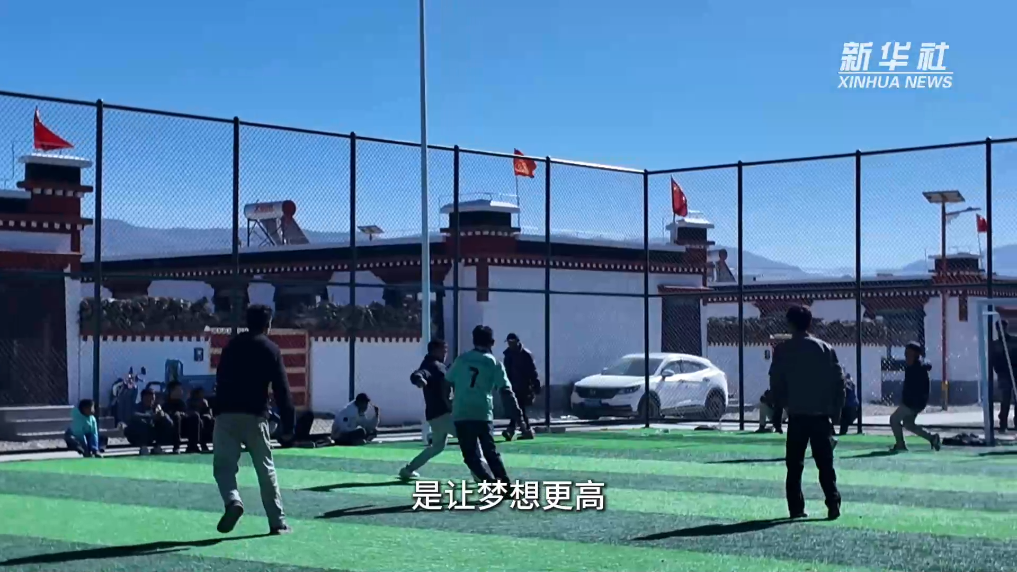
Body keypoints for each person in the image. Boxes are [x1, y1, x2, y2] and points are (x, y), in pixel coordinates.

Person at [212, 304, 294, 536]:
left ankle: (232, 500)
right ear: (268, 324)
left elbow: (220, 378)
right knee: (265, 468)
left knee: (224, 467)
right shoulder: (271, 349)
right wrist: (289, 425)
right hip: (255, 414)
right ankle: (277, 522)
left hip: (226, 412)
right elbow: (282, 390)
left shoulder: (231, 346)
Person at [769, 305, 844, 520]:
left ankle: (796, 508)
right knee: (825, 464)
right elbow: (839, 382)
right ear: (810, 323)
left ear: (790, 324)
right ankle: (833, 502)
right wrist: (836, 411)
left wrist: (778, 410)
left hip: (797, 415)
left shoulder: (782, 350)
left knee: (794, 466)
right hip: (821, 415)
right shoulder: (825, 349)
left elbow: (776, 382)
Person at [447, 325, 524, 484]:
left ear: (473, 340)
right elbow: (506, 391)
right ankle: (506, 485)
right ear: (492, 342)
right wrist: (518, 416)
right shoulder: (494, 363)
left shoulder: (461, 360)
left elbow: (447, 380)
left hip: (462, 412)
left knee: (470, 456)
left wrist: (448, 402)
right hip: (483, 413)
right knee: (491, 453)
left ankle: (490, 484)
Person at [399, 339, 454, 479]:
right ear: (435, 350)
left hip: (435, 415)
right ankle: (480, 475)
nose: (445, 354)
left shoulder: (438, 365)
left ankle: (408, 469)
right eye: (444, 350)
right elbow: (418, 374)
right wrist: (419, 380)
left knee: (437, 447)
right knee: (469, 439)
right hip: (443, 414)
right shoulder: (431, 365)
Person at [889, 342, 941, 452]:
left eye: (908, 354)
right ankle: (932, 438)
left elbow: (916, 389)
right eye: (905, 354)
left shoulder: (918, 368)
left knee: (894, 419)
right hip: (916, 403)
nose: (906, 356)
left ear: (916, 355)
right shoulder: (914, 366)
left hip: (913, 403)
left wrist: (906, 402)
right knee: (908, 424)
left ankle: (900, 445)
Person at [502, 333, 540, 441]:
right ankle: (524, 430)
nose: (510, 344)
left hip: (524, 386)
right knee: (518, 409)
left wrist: (535, 384)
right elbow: (506, 371)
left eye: (512, 342)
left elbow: (532, 371)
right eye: (509, 342)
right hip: (512, 385)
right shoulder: (508, 354)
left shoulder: (525, 355)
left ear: (517, 342)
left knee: (519, 408)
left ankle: (514, 430)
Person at [124, 388, 176, 455]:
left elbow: (170, 422)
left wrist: (162, 415)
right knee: (140, 423)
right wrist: (151, 416)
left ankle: (157, 447)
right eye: (148, 399)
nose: (151, 401)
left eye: (152, 399)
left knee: (165, 423)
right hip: (137, 435)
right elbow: (134, 415)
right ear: (143, 398)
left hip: (151, 434)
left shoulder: (156, 408)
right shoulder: (137, 407)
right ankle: (143, 447)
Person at [991, 320, 1017, 433]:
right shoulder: (995, 345)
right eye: (999, 328)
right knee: (1005, 400)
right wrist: (999, 371)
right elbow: (993, 361)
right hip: (1004, 375)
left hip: (1015, 374)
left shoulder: (1014, 341)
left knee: (1016, 399)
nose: (1001, 330)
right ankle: (1003, 424)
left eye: (1003, 327)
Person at [184, 387, 214, 453]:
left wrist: (208, 415)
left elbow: (208, 411)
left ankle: (204, 444)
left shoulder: (204, 401)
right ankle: (193, 445)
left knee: (207, 419)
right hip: (191, 420)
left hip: (202, 419)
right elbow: (188, 412)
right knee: (196, 420)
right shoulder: (189, 401)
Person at [162, 381, 188, 454]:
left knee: (195, 417)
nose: (181, 392)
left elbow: (186, 413)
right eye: (179, 390)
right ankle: (176, 447)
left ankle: (193, 446)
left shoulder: (182, 403)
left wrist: (183, 414)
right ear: (172, 391)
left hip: (184, 426)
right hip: (170, 427)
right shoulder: (165, 403)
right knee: (176, 417)